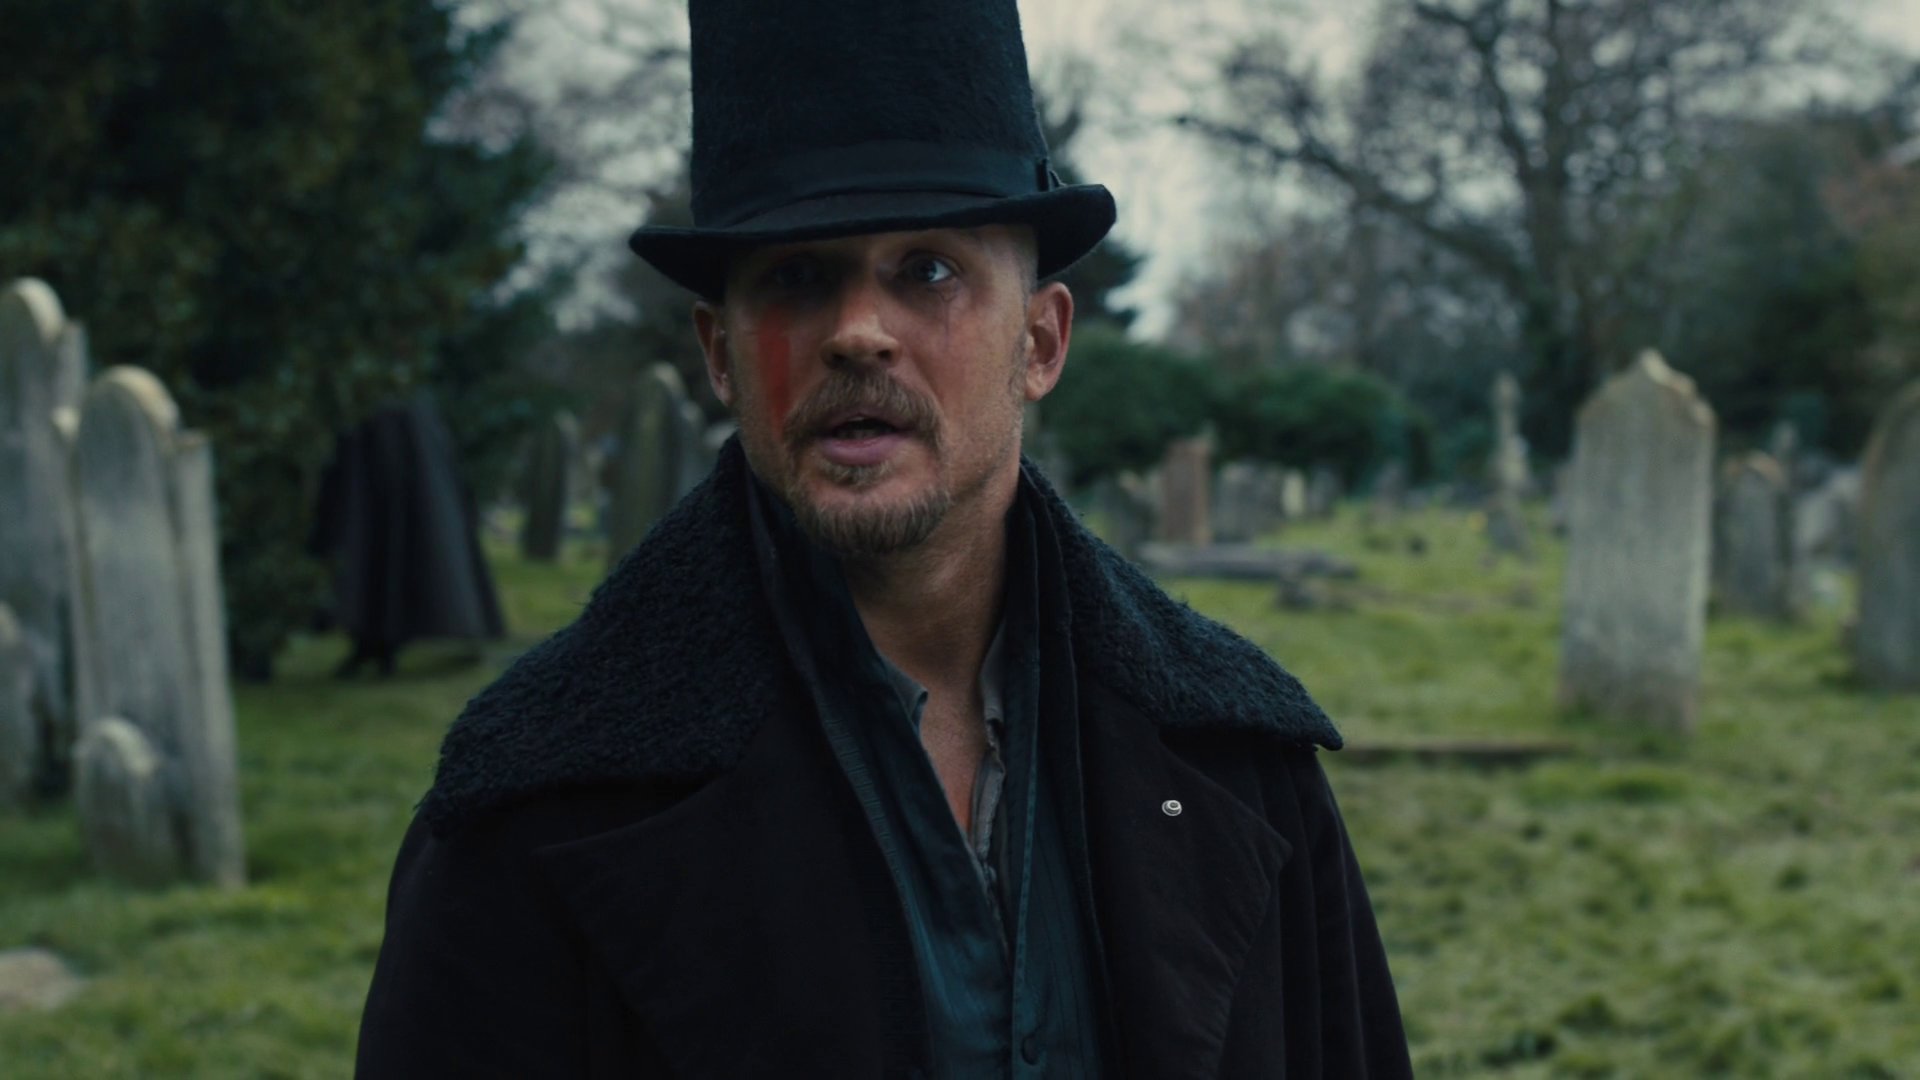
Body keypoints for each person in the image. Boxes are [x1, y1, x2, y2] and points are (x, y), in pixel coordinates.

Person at [355, 0, 1411, 1076]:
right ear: (719, 355)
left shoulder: (1242, 759)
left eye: (929, 270)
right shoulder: (535, 807)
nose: (859, 332)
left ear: (1041, 342)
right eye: (798, 275)